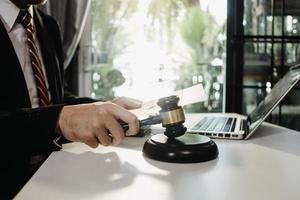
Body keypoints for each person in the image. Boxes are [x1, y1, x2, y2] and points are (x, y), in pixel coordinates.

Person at [0, 0, 141, 198]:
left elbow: (58, 96)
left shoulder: (48, 25)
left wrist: (101, 108)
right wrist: (59, 118)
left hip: (57, 174)